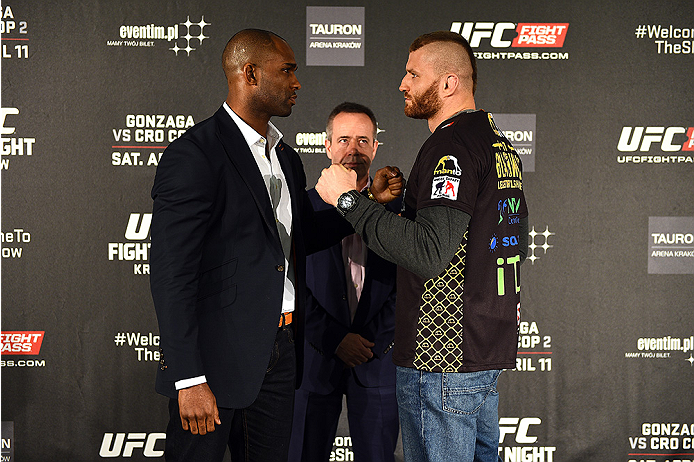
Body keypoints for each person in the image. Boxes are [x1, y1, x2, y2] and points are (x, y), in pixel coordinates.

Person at [149, 29, 401, 462]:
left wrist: (366, 203)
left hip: (282, 352)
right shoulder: (195, 154)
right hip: (215, 360)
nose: (297, 83)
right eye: (286, 71)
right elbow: (172, 273)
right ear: (250, 74)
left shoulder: (286, 158)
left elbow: (300, 239)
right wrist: (188, 378)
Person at [315, 31, 529, 462]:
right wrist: (392, 209)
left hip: (443, 357)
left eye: (413, 73)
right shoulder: (496, 141)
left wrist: (349, 200)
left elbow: (429, 252)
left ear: (449, 83)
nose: (402, 84)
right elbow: (469, 239)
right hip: (481, 349)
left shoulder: (449, 145)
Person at [289, 103, 400, 462]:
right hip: (314, 361)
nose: (353, 150)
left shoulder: (398, 211)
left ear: (376, 147)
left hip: (377, 358)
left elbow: (410, 284)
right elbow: (289, 282)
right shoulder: (299, 208)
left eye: (363, 140)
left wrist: (371, 341)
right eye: (344, 140)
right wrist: (334, 339)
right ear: (326, 146)